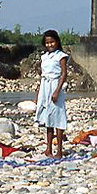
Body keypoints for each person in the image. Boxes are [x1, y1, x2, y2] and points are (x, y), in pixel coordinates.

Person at [35, 29, 68, 158]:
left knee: (58, 118)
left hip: (55, 85)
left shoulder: (61, 56)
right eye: (47, 43)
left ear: (57, 42)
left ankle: (59, 150)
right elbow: (42, 75)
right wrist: (38, 93)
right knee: (47, 117)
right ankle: (48, 148)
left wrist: (57, 91)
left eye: (52, 42)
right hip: (45, 85)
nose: (50, 45)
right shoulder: (44, 57)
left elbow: (63, 74)